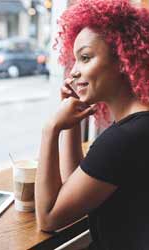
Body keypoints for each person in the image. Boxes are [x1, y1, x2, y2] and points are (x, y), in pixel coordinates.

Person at [35, 1, 149, 250]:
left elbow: (49, 217)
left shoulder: (126, 138)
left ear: (122, 59)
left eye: (85, 58)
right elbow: (76, 182)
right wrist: (73, 123)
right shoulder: (137, 127)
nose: (73, 72)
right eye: (74, 60)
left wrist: (50, 129)